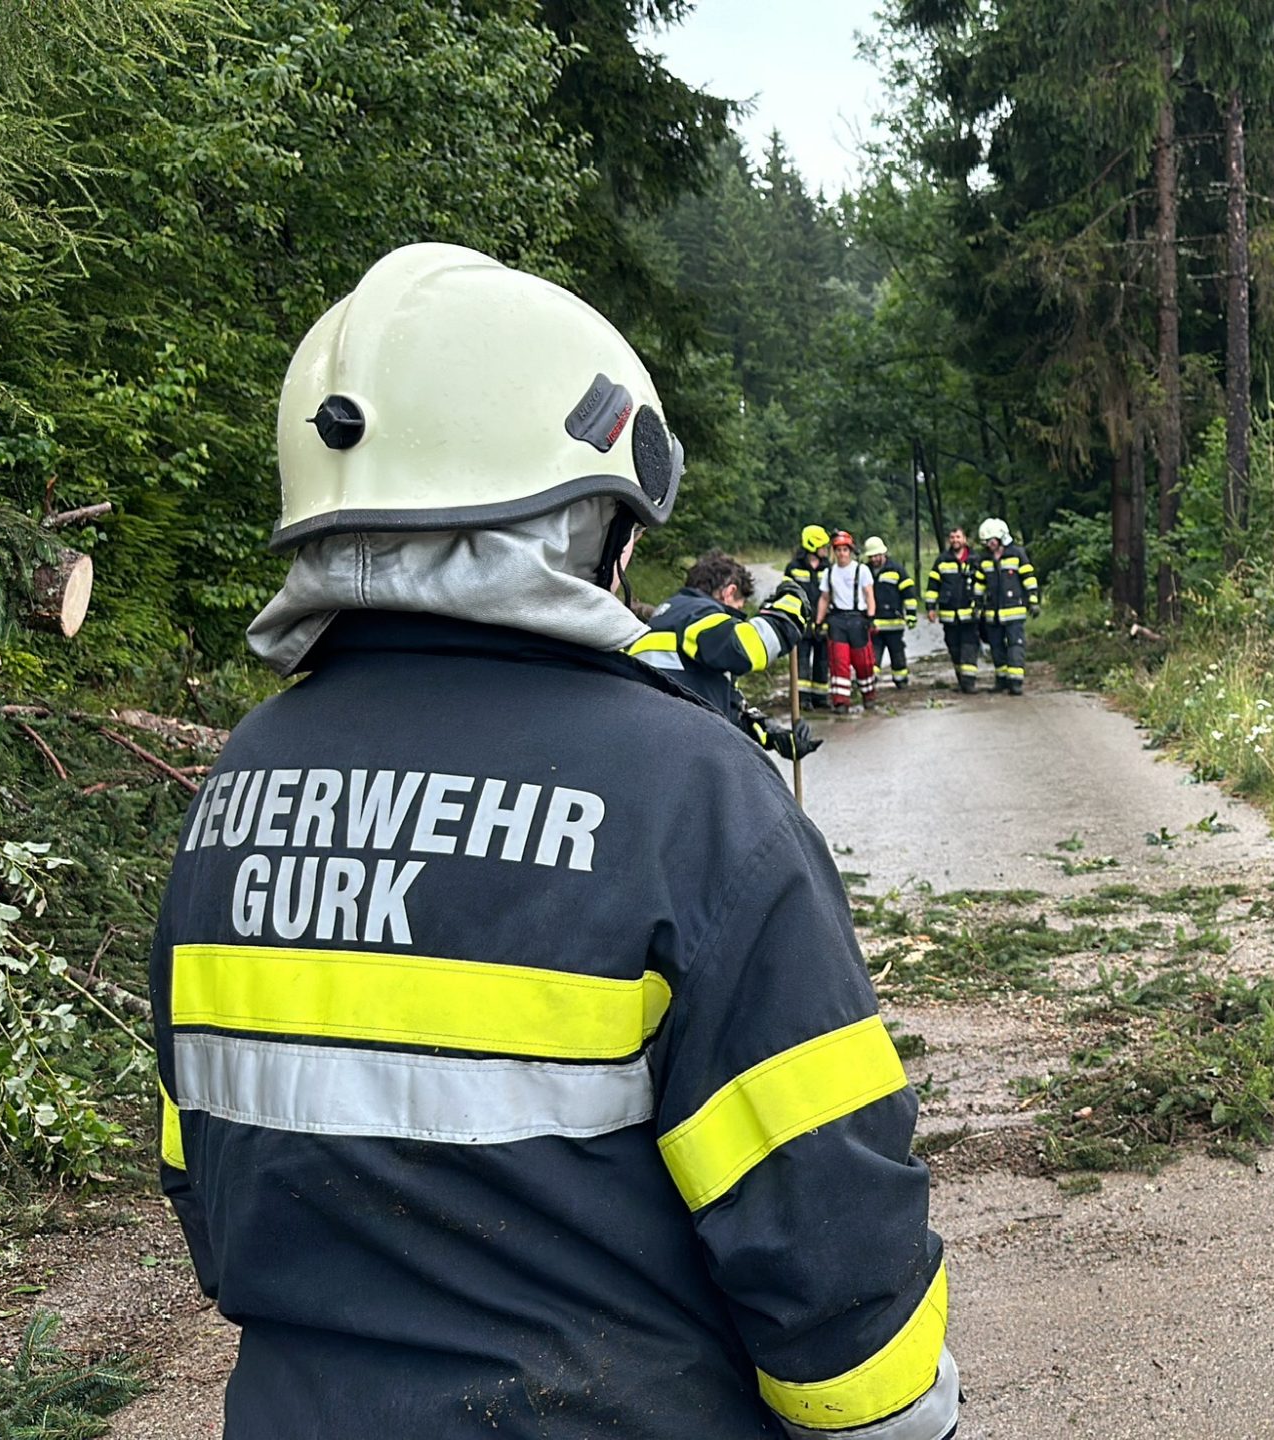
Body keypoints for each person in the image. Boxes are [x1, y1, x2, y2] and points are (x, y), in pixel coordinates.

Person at [151, 243, 956, 1439]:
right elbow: (823, 1217)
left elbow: (206, 1184)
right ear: (592, 521)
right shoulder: (690, 796)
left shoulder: (240, 784)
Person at [630, 551, 817, 759]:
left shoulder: (669, 616)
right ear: (730, 592)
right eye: (739, 608)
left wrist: (770, 733)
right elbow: (746, 648)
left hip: (665, 743)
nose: (735, 618)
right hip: (684, 754)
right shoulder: (696, 614)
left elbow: (712, 697)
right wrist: (788, 612)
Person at [974, 516, 1039, 695]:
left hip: (1014, 611)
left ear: (1001, 537)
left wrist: (1033, 600)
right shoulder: (984, 559)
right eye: (986, 542)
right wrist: (977, 605)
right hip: (992, 612)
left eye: (992, 541)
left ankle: (1015, 682)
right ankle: (1001, 679)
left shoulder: (1017, 554)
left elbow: (1029, 578)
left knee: (1015, 646)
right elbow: (980, 584)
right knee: (996, 647)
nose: (989, 545)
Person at [817, 530, 880, 714]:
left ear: (850, 551)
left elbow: (869, 594)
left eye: (845, 550)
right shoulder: (829, 572)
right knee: (839, 662)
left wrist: (870, 616)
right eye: (838, 550)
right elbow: (824, 598)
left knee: (864, 662)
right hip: (837, 620)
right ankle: (841, 702)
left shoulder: (862, 570)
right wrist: (819, 621)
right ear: (834, 552)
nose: (842, 554)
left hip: (857, 619)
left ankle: (869, 695)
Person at [924, 526, 984, 693]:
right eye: (952, 537)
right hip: (949, 615)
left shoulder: (975, 559)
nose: (955, 540)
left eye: (958, 537)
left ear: (964, 539)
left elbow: (984, 583)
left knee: (969, 646)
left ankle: (969, 682)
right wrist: (930, 607)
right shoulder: (942, 560)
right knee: (954, 647)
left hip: (970, 614)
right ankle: (961, 679)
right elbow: (932, 586)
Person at [781, 524, 833, 710]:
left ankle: (821, 697)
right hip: (801, 624)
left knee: (822, 660)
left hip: (823, 623)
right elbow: (786, 594)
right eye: (823, 547)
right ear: (812, 545)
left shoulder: (828, 568)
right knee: (801, 660)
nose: (826, 550)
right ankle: (802, 699)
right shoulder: (793, 568)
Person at [864, 536, 917, 689]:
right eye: (871, 556)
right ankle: (871, 682)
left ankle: (901, 682)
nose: (874, 559)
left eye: (876, 555)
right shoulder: (864, 571)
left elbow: (909, 594)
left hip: (894, 624)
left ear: (883, 553)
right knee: (873, 655)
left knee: (897, 655)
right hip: (874, 625)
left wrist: (912, 615)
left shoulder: (897, 570)